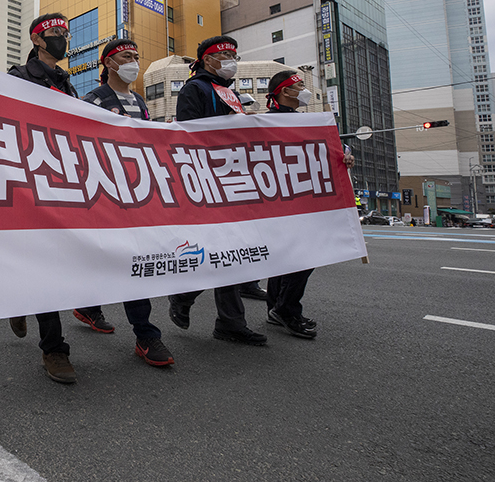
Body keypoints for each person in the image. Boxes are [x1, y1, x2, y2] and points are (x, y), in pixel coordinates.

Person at [71, 38, 175, 367]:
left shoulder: (140, 101)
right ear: (109, 63)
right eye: (126, 56)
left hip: (136, 192)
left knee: (131, 259)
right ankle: (145, 334)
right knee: (115, 257)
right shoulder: (94, 99)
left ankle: (100, 310)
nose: (133, 62)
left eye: (135, 56)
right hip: (105, 191)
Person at [168, 36, 268, 346]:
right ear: (208, 59)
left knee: (230, 251)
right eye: (224, 54)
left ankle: (225, 319)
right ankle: (191, 299)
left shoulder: (229, 92)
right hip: (208, 179)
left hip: (232, 178)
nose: (230, 60)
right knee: (219, 250)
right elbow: (187, 133)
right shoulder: (195, 89)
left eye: (234, 54)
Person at [6, 12, 79, 384]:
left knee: (60, 260)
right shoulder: (18, 77)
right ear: (36, 39)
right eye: (54, 32)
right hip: (31, 180)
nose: (62, 37)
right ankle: (54, 348)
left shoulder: (67, 84)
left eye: (66, 32)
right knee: (45, 262)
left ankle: (21, 297)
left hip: (65, 182)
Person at [262, 71, 354, 339]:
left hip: (301, 199)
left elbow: (322, 154)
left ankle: (276, 307)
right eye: (300, 85)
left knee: (286, 257)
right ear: (285, 91)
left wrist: (343, 158)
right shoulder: (264, 122)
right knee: (305, 254)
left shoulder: (306, 121)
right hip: (281, 201)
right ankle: (286, 309)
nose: (304, 90)